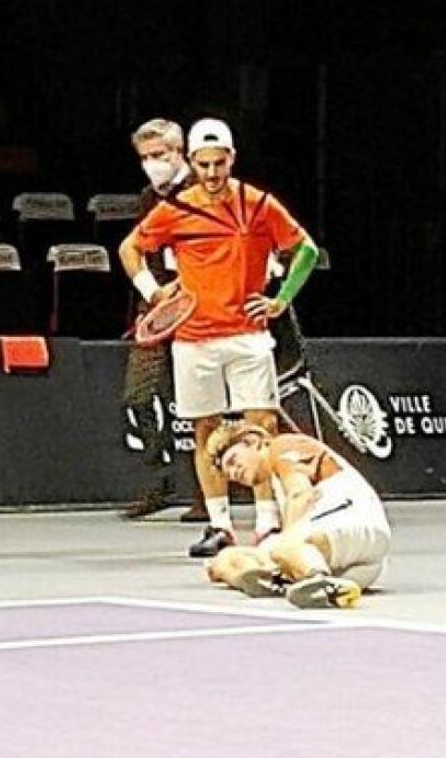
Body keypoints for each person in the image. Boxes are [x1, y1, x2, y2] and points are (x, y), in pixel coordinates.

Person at [119, 118, 320, 557]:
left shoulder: (259, 203)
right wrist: (154, 295)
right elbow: (129, 249)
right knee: (205, 430)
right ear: (192, 162)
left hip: (248, 335)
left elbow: (304, 248)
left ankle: (267, 523)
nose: (212, 173)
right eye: (204, 164)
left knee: (260, 428)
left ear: (232, 159)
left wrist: (280, 300)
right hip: (193, 339)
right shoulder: (177, 209)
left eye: (219, 163)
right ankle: (219, 525)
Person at [118, 118, 208, 521]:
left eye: (160, 156)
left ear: (180, 153)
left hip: (205, 312)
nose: (153, 164)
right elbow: (136, 250)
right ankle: (160, 475)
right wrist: (153, 293)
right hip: (157, 311)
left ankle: (209, 493)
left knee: (204, 407)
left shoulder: (207, 192)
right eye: (145, 158)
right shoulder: (148, 200)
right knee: (138, 396)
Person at [204, 422, 391, 609]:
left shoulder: (281, 446)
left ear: (252, 441)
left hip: (355, 523)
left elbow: (300, 494)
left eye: (233, 461)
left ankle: (317, 579)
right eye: (229, 475)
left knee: (284, 547)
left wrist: (285, 548)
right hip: (349, 563)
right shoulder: (276, 481)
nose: (234, 472)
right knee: (224, 560)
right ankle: (277, 580)